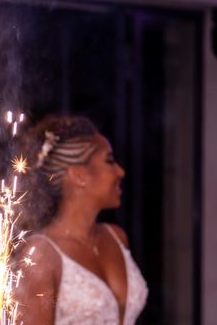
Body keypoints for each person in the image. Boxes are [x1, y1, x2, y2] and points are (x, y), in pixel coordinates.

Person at [15, 116, 147, 325]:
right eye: (109, 161)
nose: (120, 172)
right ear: (79, 175)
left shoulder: (116, 236)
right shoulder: (40, 255)